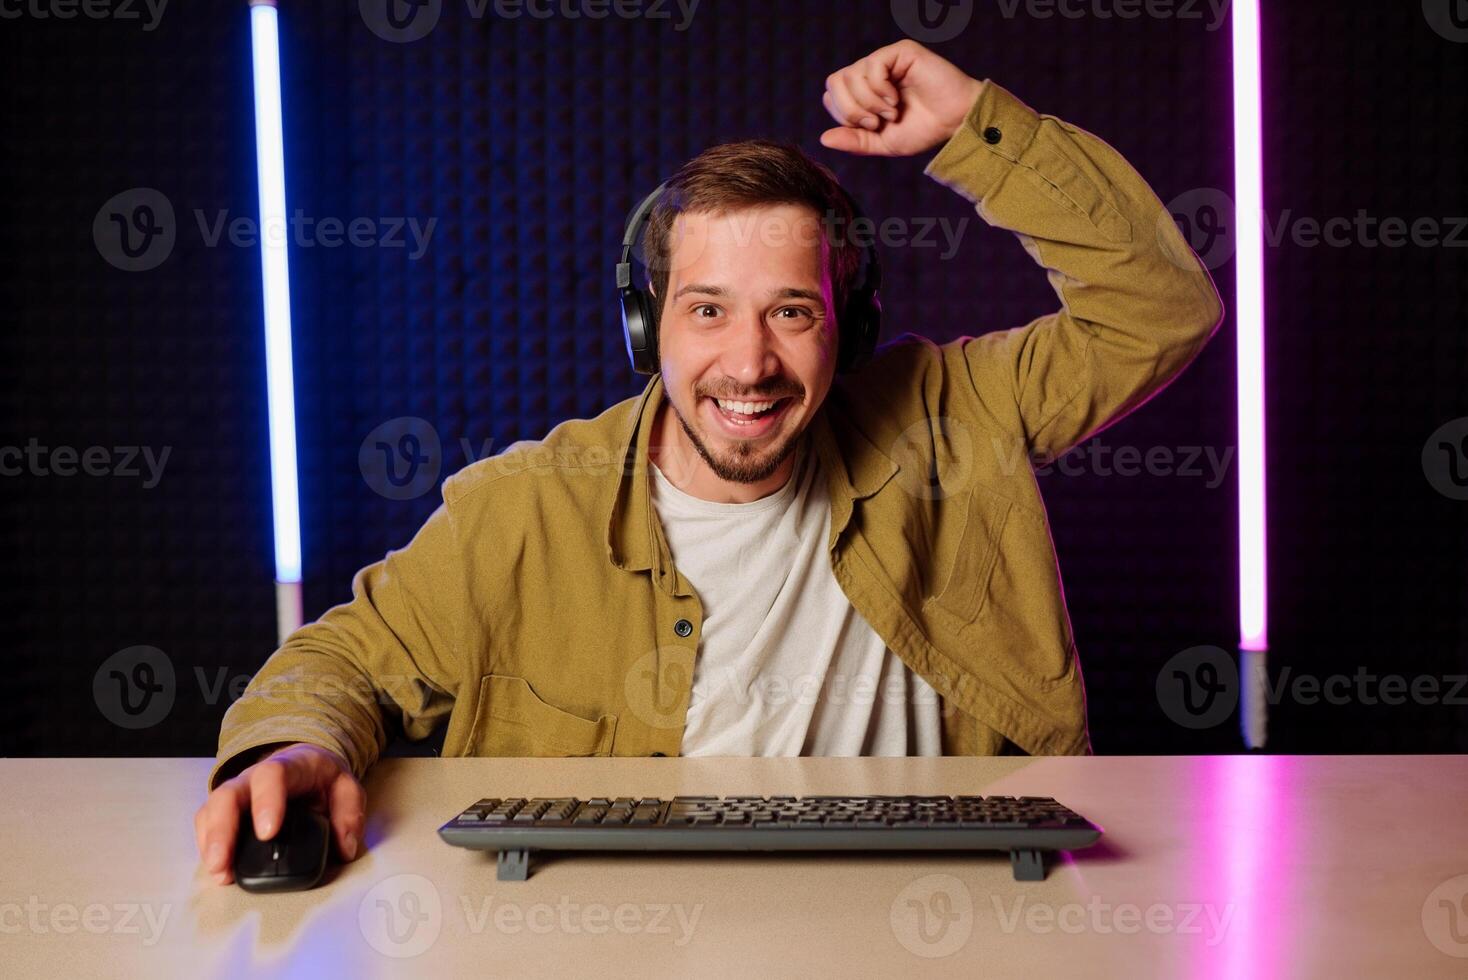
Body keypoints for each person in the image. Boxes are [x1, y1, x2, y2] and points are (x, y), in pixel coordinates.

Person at [196, 39, 1223, 885]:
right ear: (647, 328)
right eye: (706, 311)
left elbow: (1162, 310)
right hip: (628, 944)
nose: (750, 362)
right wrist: (295, 744)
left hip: (933, 926)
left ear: (851, 329)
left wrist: (975, 131)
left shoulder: (958, 418)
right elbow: (340, 661)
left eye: (792, 311)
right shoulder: (520, 510)